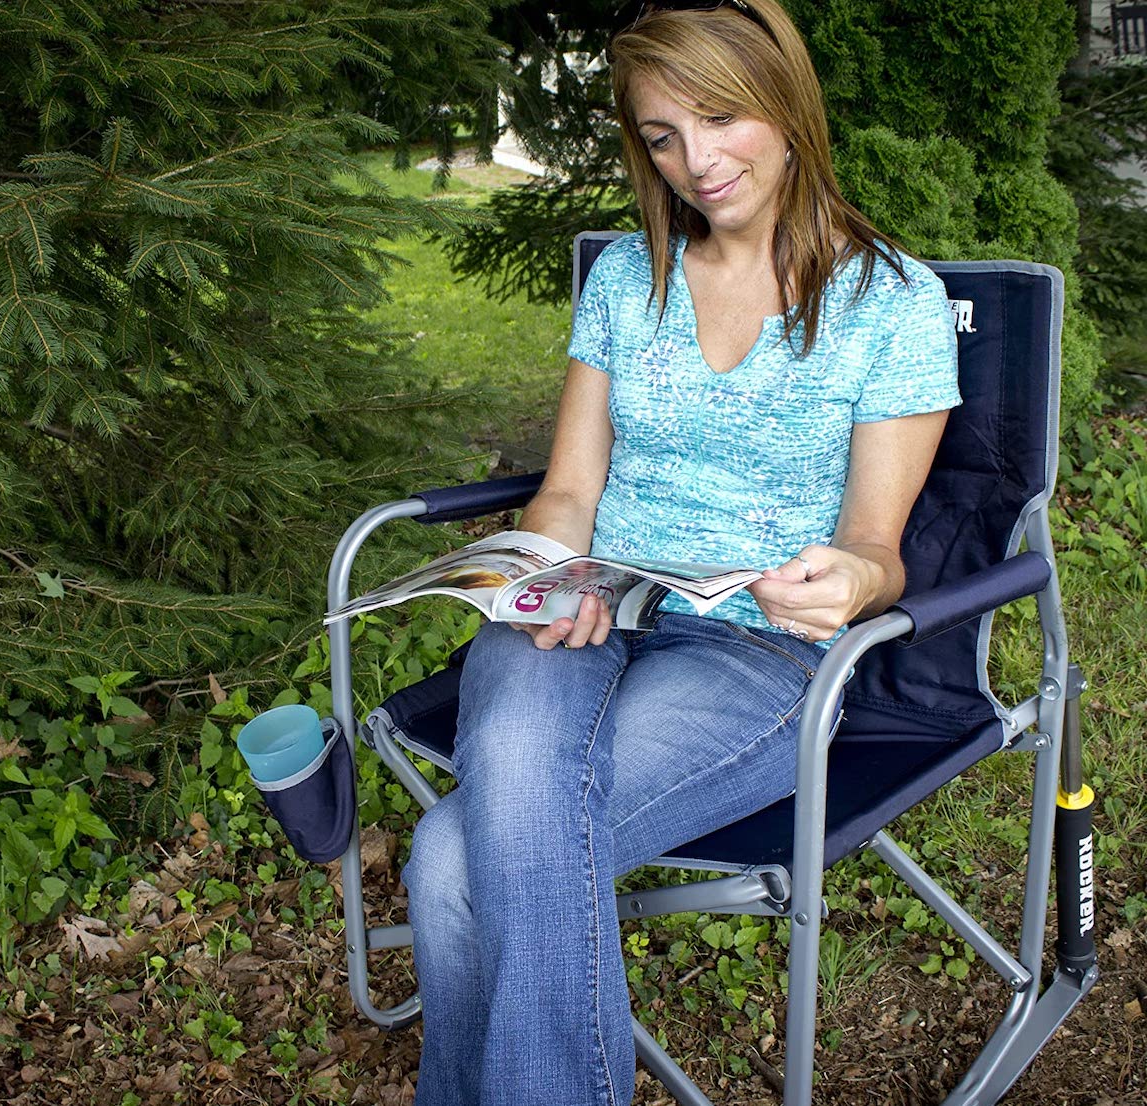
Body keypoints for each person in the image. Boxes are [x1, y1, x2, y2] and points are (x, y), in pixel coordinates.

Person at [401, 3, 962, 1104]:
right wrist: (543, 573)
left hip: (754, 654)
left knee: (448, 861)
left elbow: (874, 547)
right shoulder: (627, 280)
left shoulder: (892, 305)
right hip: (588, 607)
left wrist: (850, 580)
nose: (695, 162)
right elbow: (569, 487)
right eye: (662, 136)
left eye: (720, 118)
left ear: (788, 108)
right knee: (474, 831)